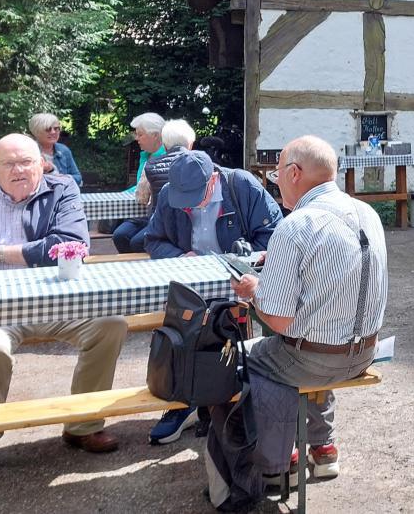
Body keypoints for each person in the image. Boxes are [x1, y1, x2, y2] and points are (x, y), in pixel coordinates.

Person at [0, 134, 127, 475]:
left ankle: (83, 424)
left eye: (26, 162)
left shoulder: (61, 191)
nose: (18, 170)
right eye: (9, 164)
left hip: (52, 302)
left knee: (111, 324)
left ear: (41, 164)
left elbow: (72, 243)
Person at [230, 135, 387, 483]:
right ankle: (324, 446)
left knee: (247, 358)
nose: (276, 180)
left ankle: (277, 460)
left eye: (277, 172)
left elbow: (279, 320)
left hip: (315, 361)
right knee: (313, 334)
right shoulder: (367, 213)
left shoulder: (295, 225)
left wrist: (254, 291)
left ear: (295, 173)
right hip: (366, 353)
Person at [143, 150, 282, 444]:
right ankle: (184, 401)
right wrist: (181, 256)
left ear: (214, 179)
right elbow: (154, 240)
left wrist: (247, 256)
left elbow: (275, 234)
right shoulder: (169, 193)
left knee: (277, 318)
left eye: (196, 195)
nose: (190, 204)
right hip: (194, 284)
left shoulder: (240, 185)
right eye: (185, 197)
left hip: (242, 280)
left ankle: (267, 401)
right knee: (180, 331)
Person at [112, 112, 167, 253]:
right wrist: (120, 195)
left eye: (140, 134)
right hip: (141, 212)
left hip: (157, 215)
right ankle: (133, 267)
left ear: (155, 135)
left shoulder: (165, 158)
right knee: (119, 235)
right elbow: (140, 188)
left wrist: (119, 195)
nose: (136, 138)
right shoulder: (146, 155)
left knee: (137, 242)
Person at [139, 119, 197, 212]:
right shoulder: (203, 167)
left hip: (160, 221)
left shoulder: (150, 164)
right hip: (192, 222)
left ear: (165, 145)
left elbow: (142, 198)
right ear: (190, 145)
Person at [28, 112, 82, 187]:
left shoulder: (63, 150)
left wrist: (58, 177)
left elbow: (78, 178)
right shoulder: (28, 152)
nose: (53, 132)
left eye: (56, 129)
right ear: (36, 132)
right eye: (48, 129)